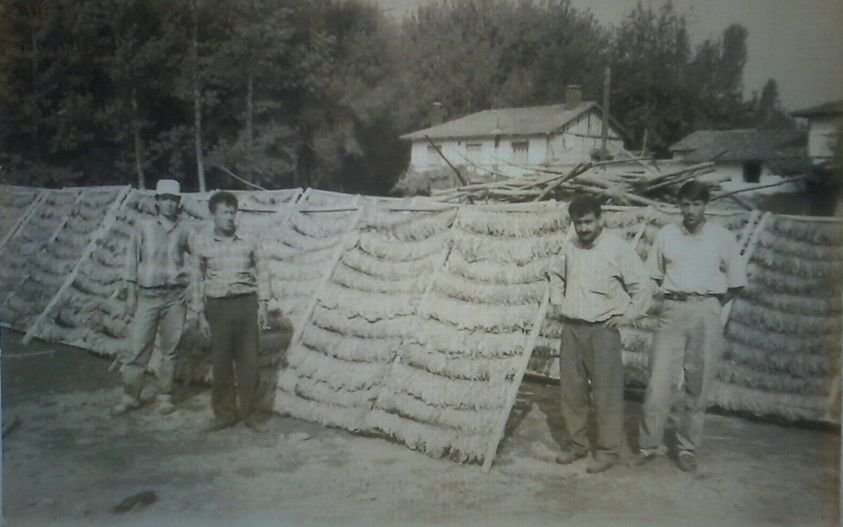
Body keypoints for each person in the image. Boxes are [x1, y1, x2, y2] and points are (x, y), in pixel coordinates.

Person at [634, 180, 747, 472]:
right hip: (673, 308)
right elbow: (653, 275)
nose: (691, 210)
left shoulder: (721, 237)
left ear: (706, 205)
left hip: (707, 309)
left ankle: (686, 447)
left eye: (697, 204)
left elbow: (736, 282)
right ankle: (648, 446)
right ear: (679, 205)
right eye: (686, 204)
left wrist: (710, 306)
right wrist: (674, 301)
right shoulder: (667, 235)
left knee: (699, 383)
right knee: (659, 380)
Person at [551, 196, 651, 474]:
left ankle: (608, 450)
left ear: (600, 219)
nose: (583, 228)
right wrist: (558, 303)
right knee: (572, 392)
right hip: (572, 329)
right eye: (578, 223)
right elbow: (556, 275)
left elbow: (642, 286)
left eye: (588, 222)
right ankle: (577, 444)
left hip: (602, 331)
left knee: (606, 393)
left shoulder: (618, 249)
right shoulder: (568, 246)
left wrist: (628, 315)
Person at [111, 179, 192, 417]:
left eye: (173, 200)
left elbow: (200, 257)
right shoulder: (143, 226)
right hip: (148, 296)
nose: (169, 204)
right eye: (165, 199)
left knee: (170, 350)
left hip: (175, 298)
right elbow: (131, 260)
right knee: (138, 348)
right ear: (157, 201)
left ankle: (165, 396)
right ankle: (130, 396)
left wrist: (192, 285)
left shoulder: (185, 230)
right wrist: (130, 295)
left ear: (179, 204)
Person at [191, 191, 270, 432]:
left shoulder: (249, 241)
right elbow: (196, 279)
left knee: (249, 362)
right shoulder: (202, 244)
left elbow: (263, 271)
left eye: (232, 212)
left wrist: (263, 304)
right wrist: (199, 313)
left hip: (246, 305)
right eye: (223, 212)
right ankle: (224, 414)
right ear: (213, 215)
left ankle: (251, 413)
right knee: (222, 362)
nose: (229, 217)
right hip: (218, 308)